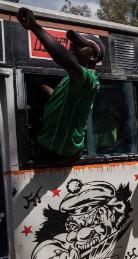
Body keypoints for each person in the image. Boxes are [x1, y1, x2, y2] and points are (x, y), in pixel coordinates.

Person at [17, 8, 105, 163]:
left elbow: (67, 62)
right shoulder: (71, 79)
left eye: (80, 44)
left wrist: (35, 27)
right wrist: (41, 85)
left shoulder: (88, 79)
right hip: (53, 145)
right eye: (73, 42)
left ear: (93, 56)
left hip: (56, 151)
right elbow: (61, 99)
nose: (73, 45)